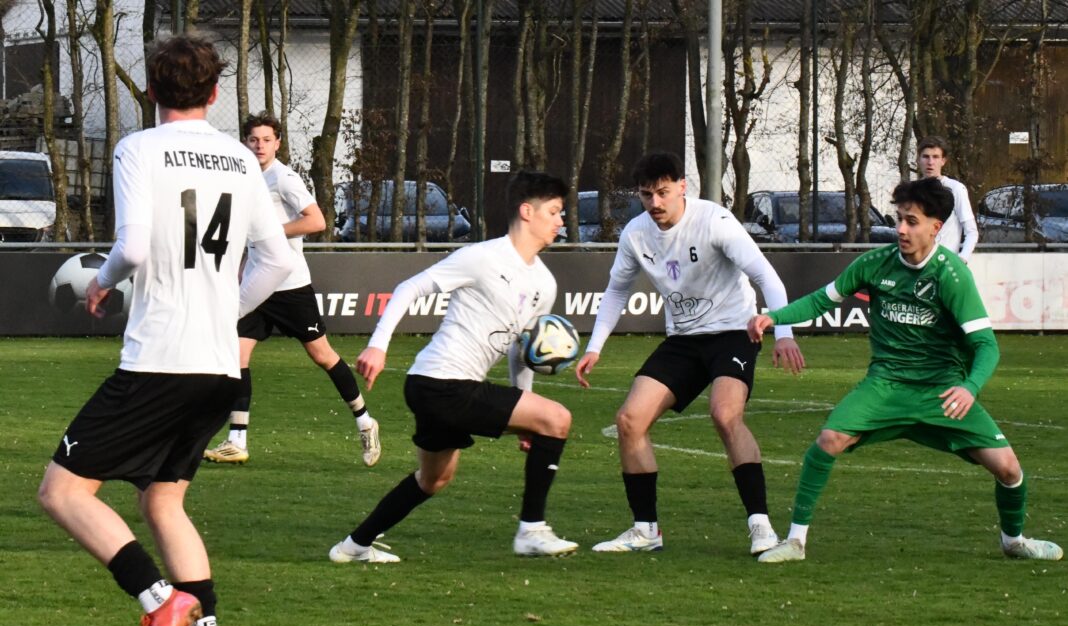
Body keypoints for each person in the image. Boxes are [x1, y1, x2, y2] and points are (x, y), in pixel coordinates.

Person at [36, 34, 296, 626]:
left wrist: (101, 283)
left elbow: (131, 247)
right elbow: (276, 260)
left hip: (160, 360)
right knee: (163, 503)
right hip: (218, 368)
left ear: (151, 91)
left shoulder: (139, 148)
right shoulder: (241, 160)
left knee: (62, 491)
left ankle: (160, 600)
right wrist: (226, 312)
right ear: (215, 93)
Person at [750, 177, 1062, 564]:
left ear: (936, 227)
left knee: (1009, 469)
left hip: (941, 392)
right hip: (886, 385)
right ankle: (796, 541)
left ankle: (1014, 541)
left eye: (912, 221)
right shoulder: (874, 263)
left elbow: (986, 345)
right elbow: (821, 301)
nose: (900, 229)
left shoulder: (951, 275)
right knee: (829, 439)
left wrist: (969, 387)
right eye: (899, 219)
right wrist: (774, 317)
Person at [329, 170, 578, 563]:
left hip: (434, 387)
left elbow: (522, 351)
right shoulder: (482, 257)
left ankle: (353, 546)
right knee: (558, 419)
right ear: (527, 212)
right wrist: (378, 345)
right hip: (444, 383)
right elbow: (409, 288)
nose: (560, 221)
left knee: (434, 479)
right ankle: (532, 530)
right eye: (554, 211)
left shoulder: (545, 284)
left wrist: (526, 410)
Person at [575, 151, 805, 556]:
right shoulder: (635, 234)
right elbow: (616, 291)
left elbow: (766, 276)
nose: (655, 203)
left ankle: (761, 526)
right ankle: (646, 530)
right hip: (683, 339)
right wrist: (594, 347)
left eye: (663, 192)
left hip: (733, 331)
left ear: (683, 186)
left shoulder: (714, 220)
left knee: (725, 414)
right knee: (629, 420)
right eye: (646, 195)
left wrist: (783, 332)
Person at [203, 112, 381, 467]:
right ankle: (237, 440)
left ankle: (365, 421)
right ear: (245, 142)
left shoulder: (283, 178)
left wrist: (271, 234)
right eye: (254, 140)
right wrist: (242, 264)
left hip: (289, 286)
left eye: (266, 140)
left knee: (323, 355)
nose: (260, 146)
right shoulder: (246, 177)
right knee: (236, 355)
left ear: (278, 143)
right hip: (258, 284)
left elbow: (317, 221)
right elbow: (250, 235)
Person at [917, 135, 979, 263]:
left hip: (945, 264)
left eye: (935, 157)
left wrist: (962, 259)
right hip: (918, 264)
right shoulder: (913, 190)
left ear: (943, 161)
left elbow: (971, 231)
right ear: (918, 159)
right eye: (926, 156)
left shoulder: (956, 189)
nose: (930, 162)